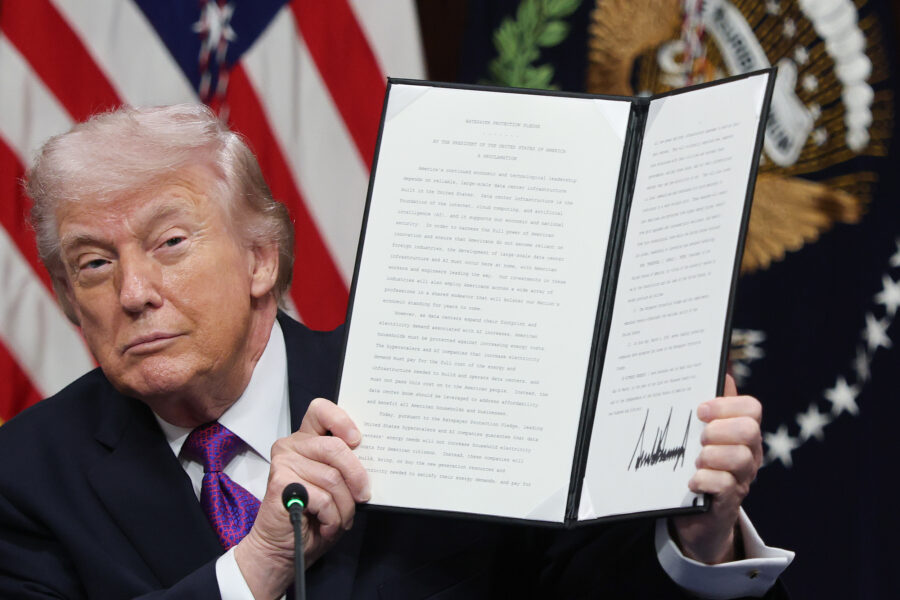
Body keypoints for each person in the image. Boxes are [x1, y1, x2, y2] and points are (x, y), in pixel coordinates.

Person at [0, 104, 792, 599]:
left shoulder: (436, 384)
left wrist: (699, 539)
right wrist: (260, 565)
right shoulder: (26, 477)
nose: (133, 290)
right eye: (94, 263)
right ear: (70, 301)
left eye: (169, 241)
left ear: (260, 260)